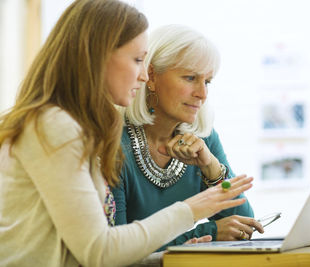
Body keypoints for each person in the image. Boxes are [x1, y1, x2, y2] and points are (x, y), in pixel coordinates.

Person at [0, 1, 254, 266]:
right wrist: (193, 212)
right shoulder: (54, 126)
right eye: (137, 60)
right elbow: (100, 252)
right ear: (98, 56)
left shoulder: (73, 126)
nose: (144, 75)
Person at [112, 24, 264, 251]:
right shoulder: (112, 145)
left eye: (207, 81)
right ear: (151, 76)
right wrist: (208, 232)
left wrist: (211, 167)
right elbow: (113, 252)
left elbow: (243, 227)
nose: (202, 94)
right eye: (190, 78)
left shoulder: (205, 138)